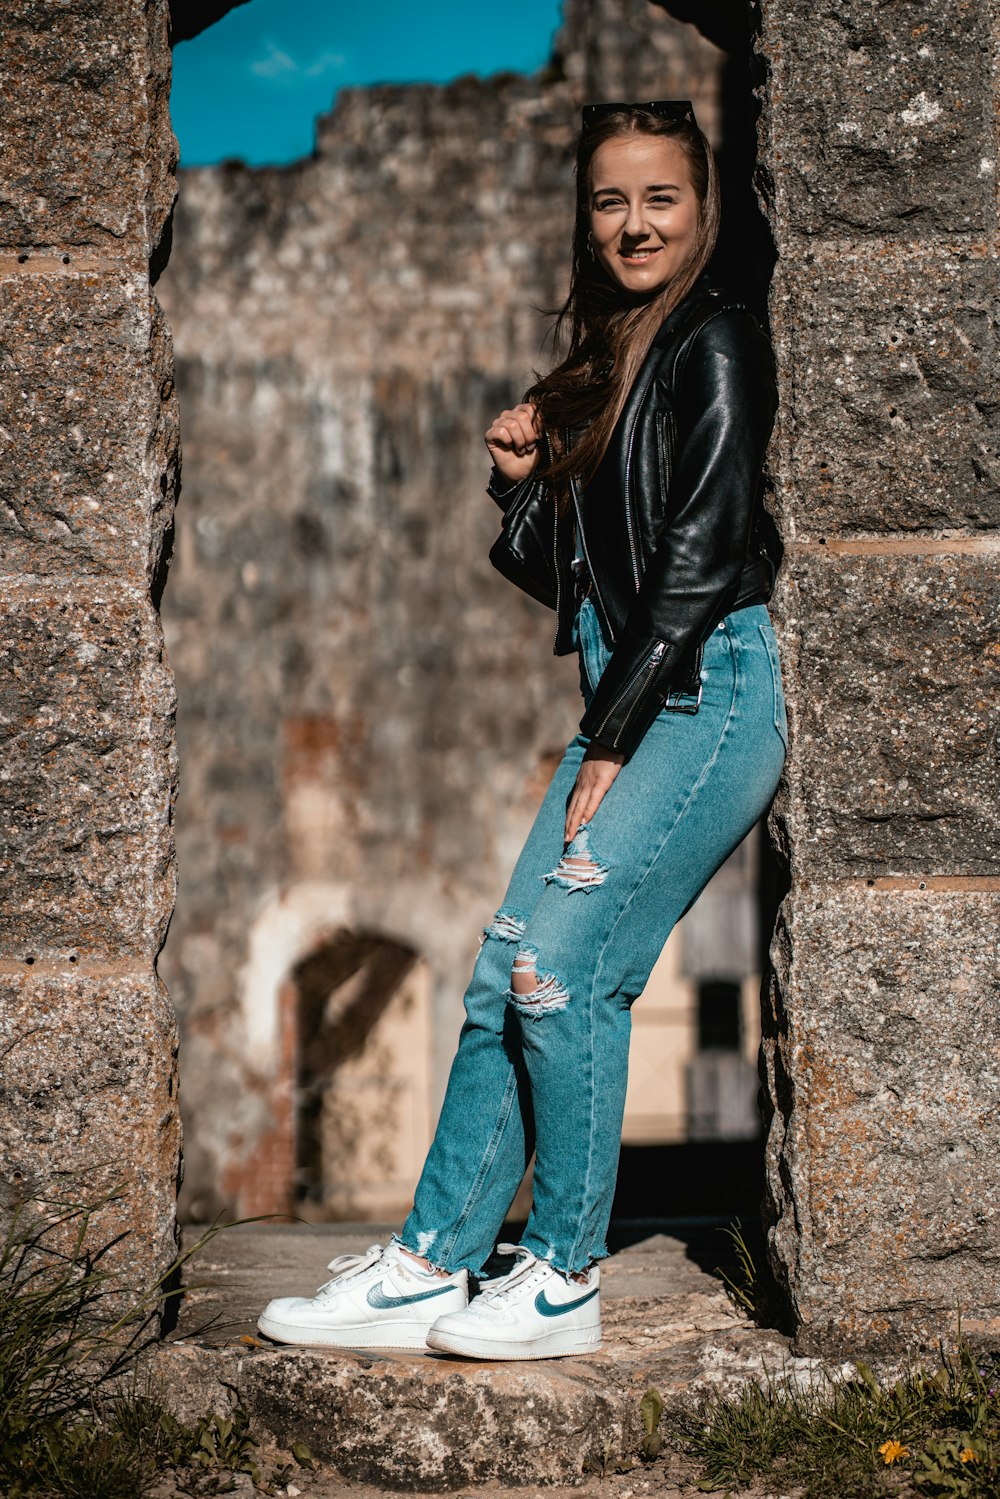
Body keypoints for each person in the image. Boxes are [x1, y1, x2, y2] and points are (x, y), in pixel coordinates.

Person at [258, 99, 785, 1361]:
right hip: (631, 688)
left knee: (561, 972)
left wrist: (608, 737)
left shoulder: (712, 340)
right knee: (504, 971)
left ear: (701, 209)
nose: (634, 222)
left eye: (660, 196)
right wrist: (517, 485)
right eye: (609, 200)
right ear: (585, 219)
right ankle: (433, 1260)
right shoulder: (613, 356)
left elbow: (701, 561)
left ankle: (560, 1274)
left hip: (702, 696)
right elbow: (585, 578)